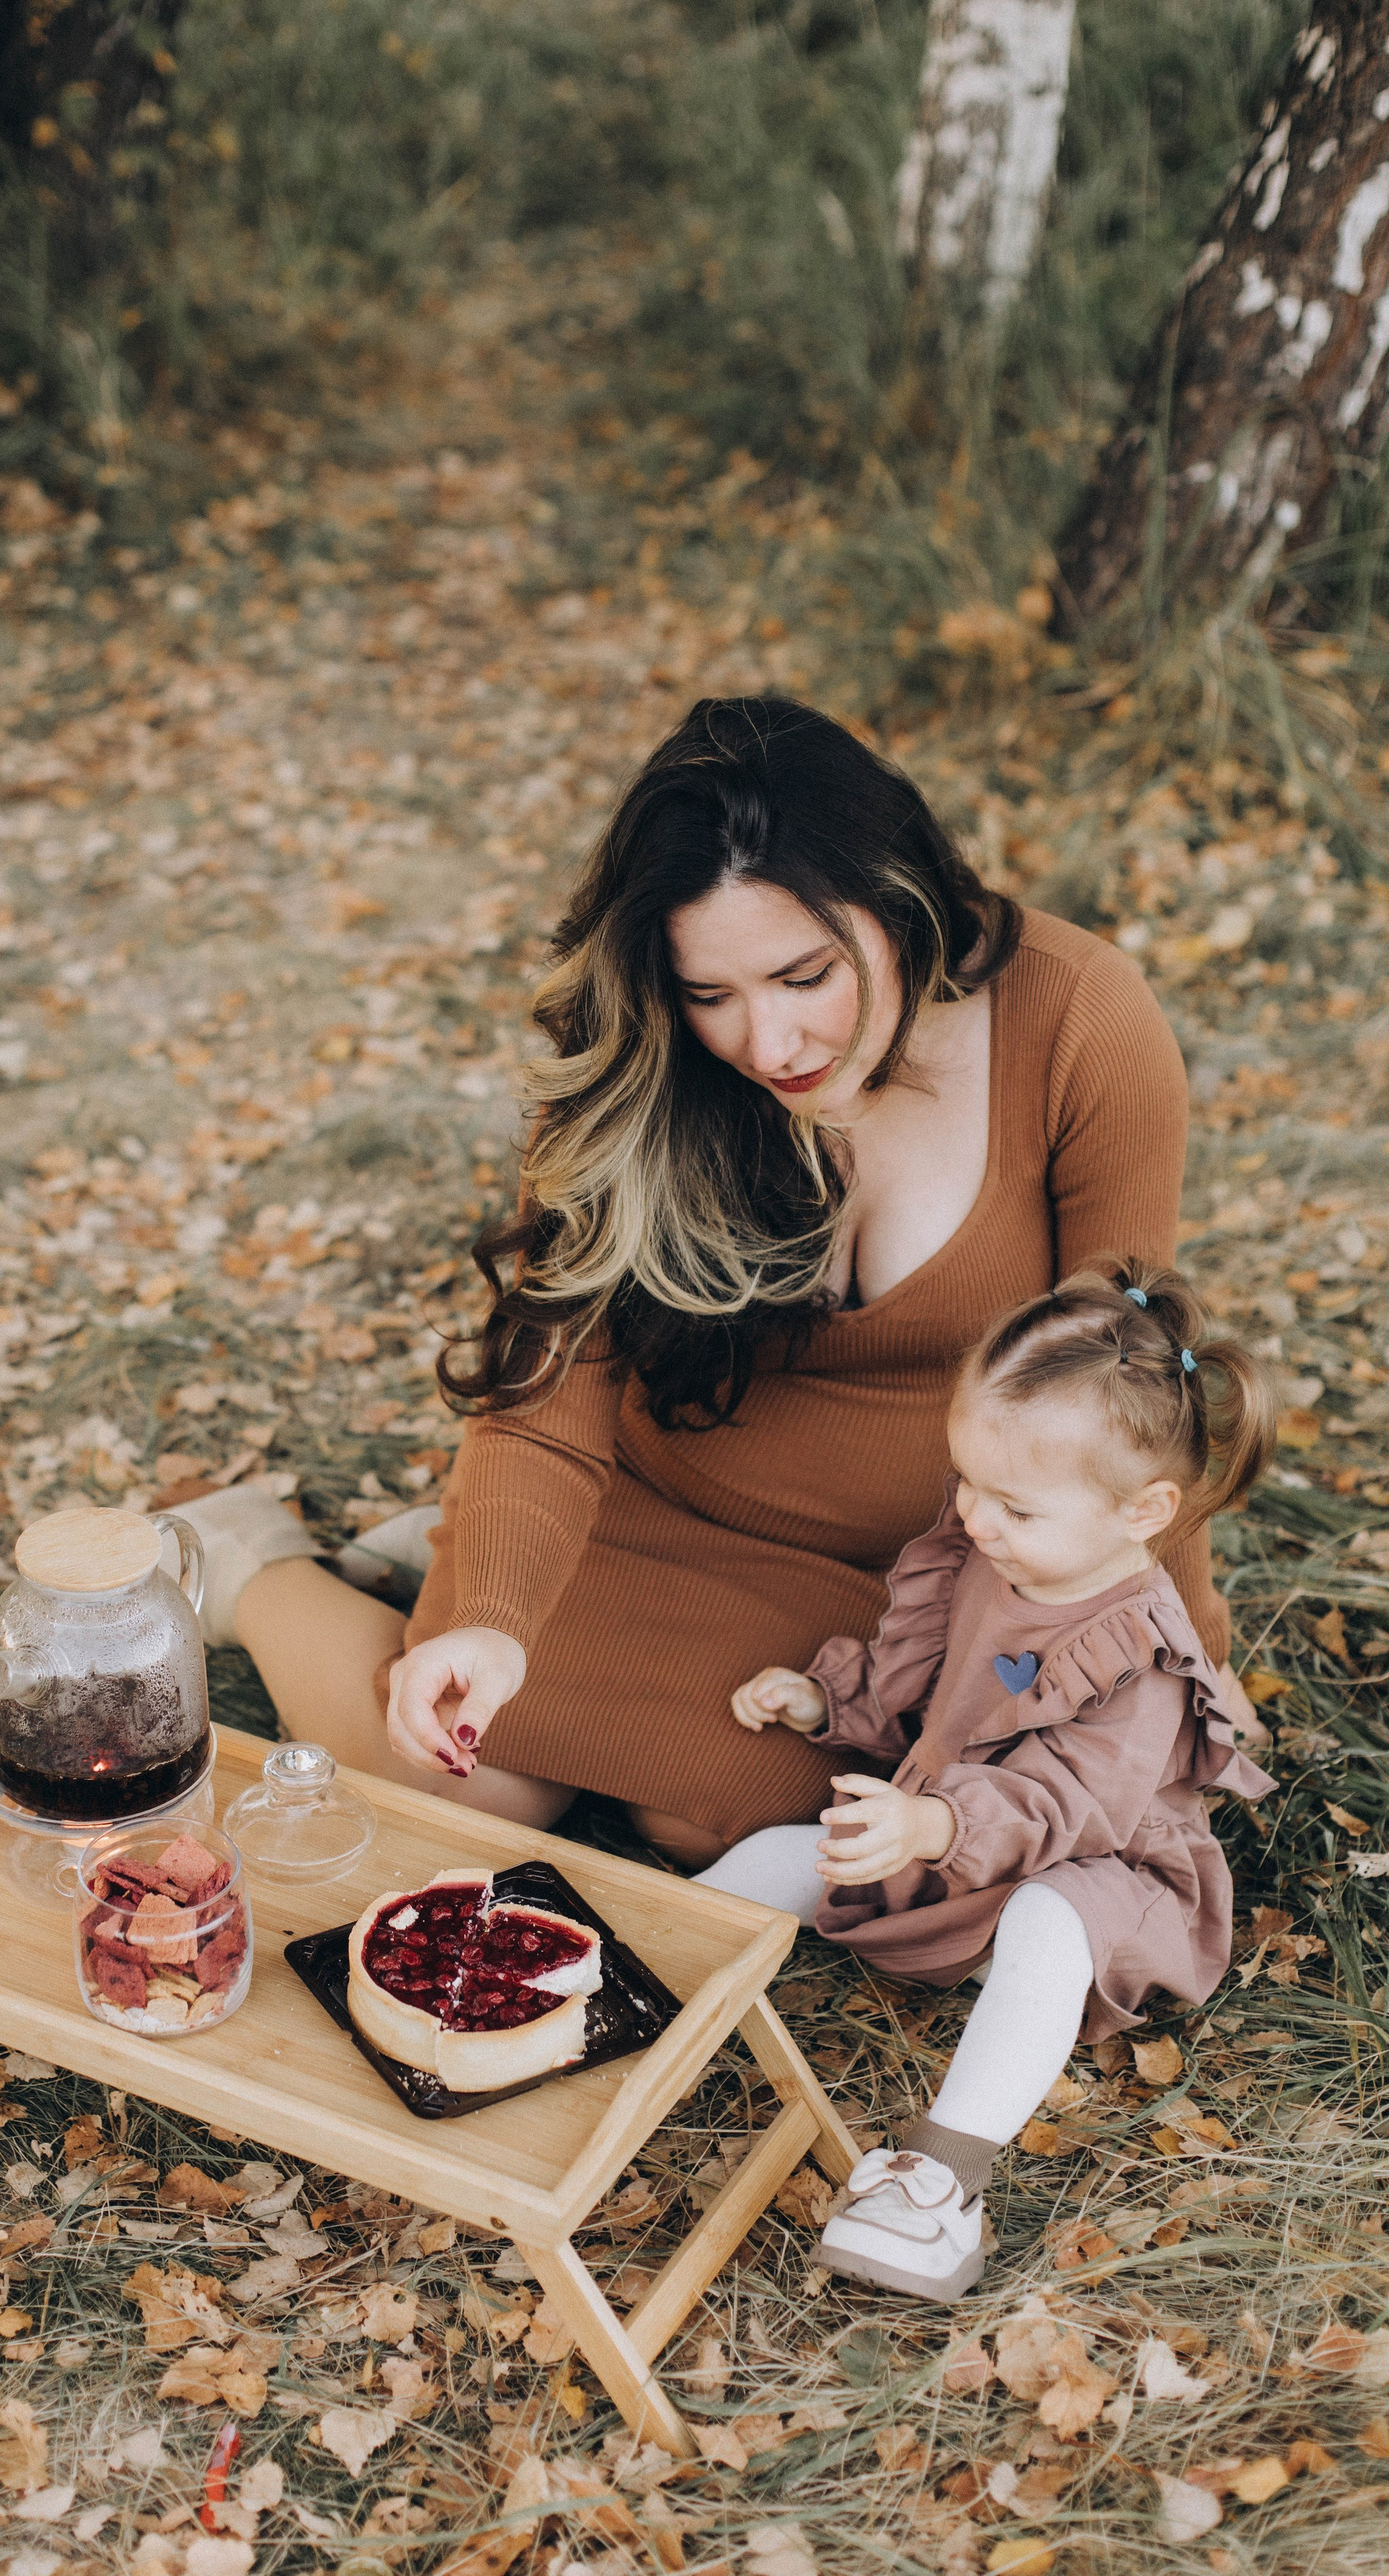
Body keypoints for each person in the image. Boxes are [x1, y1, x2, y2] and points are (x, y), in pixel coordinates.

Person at [176, 696, 1262, 1851]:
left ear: (896, 900)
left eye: (805, 976)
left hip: (926, 1568)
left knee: (737, 1817)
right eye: (712, 995)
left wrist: (1177, 1660)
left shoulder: (1079, 1018)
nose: (769, 1045)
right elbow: (551, 1383)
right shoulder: (646, 1067)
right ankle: (255, 1567)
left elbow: (1130, 1389)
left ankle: (440, 1575)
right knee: (463, 1789)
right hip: (648, 1505)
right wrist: (494, 1613)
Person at [695, 1260, 1276, 2299]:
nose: (975, 1517)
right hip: (952, 1834)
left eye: (1013, 1503)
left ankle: (937, 2183)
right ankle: (638, 1973)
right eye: (966, 1482)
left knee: (1048, 1925)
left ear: (1143, 1511)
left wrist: (927, 1827)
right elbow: (930, 1691)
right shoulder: (985, 1558)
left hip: (1099, 1868)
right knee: (781, 1855)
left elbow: (1069, 1803)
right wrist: (833, 1704)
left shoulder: (1137, 1651)